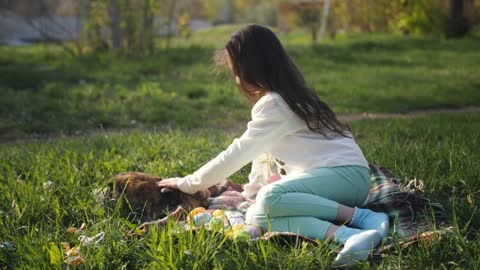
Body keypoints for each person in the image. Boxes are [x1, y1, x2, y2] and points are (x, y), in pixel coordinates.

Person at [157, 24, 389, 266]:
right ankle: (351, 236)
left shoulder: (275, 103)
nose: (235, 78)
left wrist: (189, 183)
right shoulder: (286, 98)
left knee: (270, 198)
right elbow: (262, 156)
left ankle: (364, 217)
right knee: (257, 214)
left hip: (346, 177)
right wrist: (249, 193)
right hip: (337, 181)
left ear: (249, 68)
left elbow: (239, 151)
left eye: (235, 70)